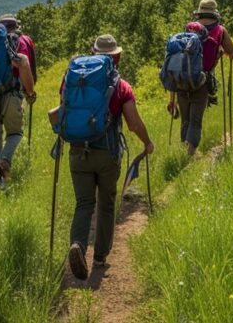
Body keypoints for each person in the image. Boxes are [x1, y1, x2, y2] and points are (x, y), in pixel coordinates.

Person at [67, 34, 154, 280]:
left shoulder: (72, 79)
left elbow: (63, 112)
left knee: (84, 203)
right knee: (106, 202)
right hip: (107, 153)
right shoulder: (121, 86)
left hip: (77, 151)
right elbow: (134, 123)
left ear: (92, 53)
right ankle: (100, 256)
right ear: (117, 57)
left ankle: (78, 245)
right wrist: (147, 142)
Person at [166, 0, 233, 157]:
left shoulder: (189, 29)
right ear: (215, 13)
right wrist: (220, 53)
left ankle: (184, 154)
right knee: (195, 120)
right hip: (202, 82)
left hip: (182, 81)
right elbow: (232, 52)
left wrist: (172, 96)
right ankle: (190, 154)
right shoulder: (220, 31)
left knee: (185, 120)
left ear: (199, 12)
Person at [0, 14, 36, 187]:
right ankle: (4, 161)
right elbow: (23, 63)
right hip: (10, 96)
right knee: (15, 133)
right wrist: (30, 93)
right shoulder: (19, 41)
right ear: (16, 27)